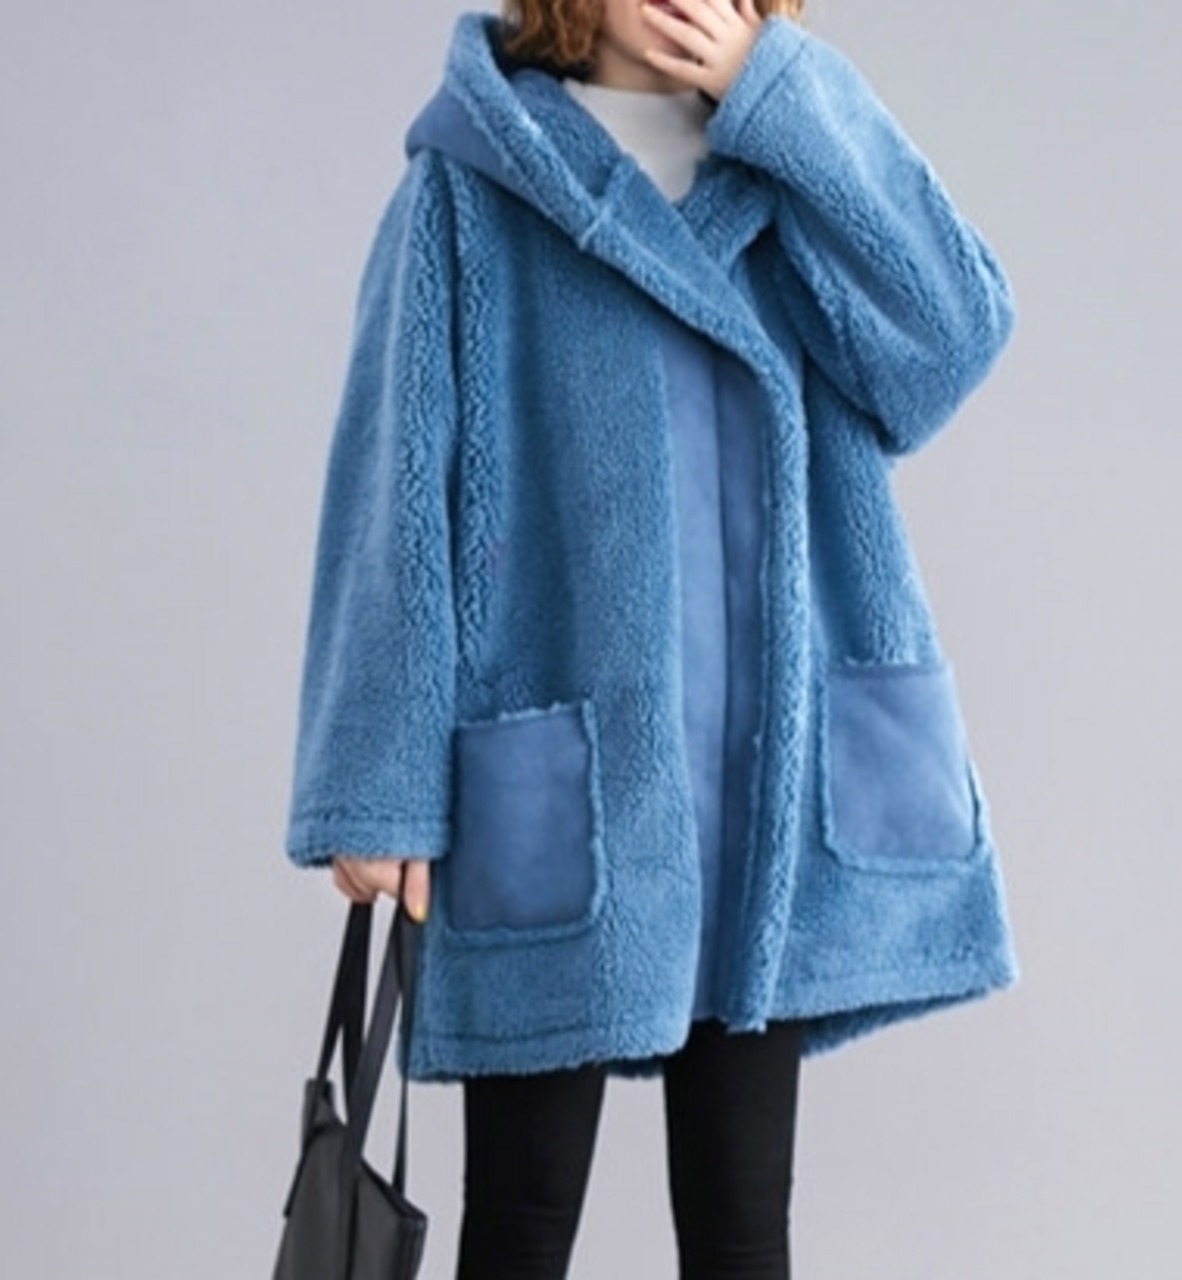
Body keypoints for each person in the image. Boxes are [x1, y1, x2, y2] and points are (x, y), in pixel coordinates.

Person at [284, 1, 1019, 1275]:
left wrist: (785, 97)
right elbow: (392, 491)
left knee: (742, 1216)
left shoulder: (784, 167)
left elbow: (946, 338)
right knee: (520, 1215)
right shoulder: (472, 185)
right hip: (563, 777)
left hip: (760, 786)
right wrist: (378, 782)